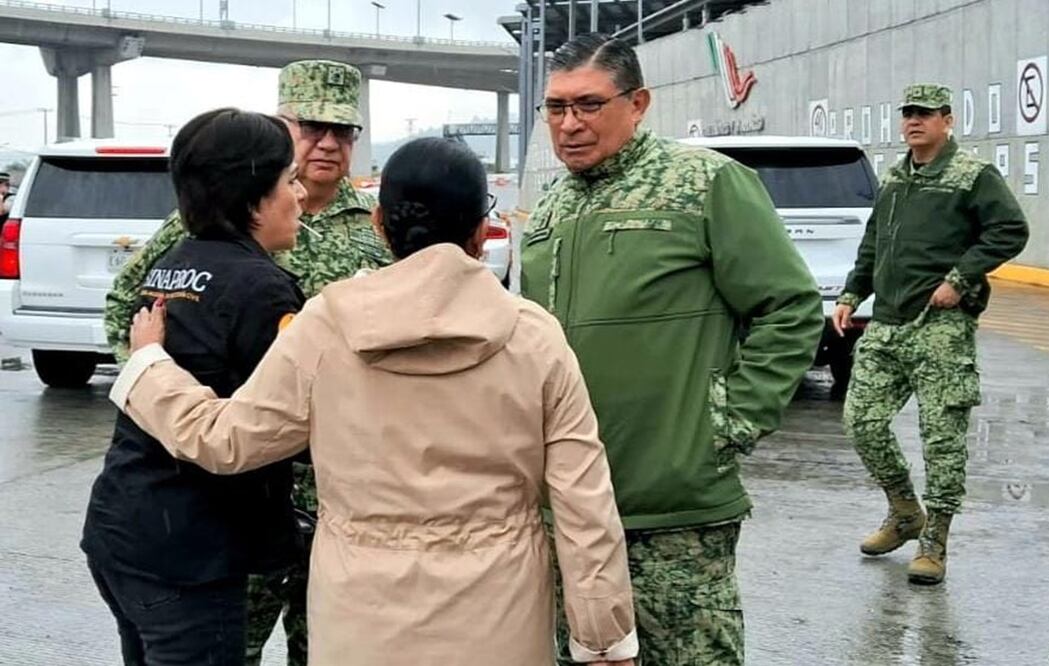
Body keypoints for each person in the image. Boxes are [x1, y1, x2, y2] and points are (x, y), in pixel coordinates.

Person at [110, 137, 637, 666]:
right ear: (480, 232)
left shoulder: (326, 327)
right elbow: (584, 500)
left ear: (380, 224)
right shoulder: (534, 337)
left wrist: (149, 366)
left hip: (358, 617)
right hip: (500, 615)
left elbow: (226, 442)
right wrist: (603, 639)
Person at [519, 33, 822, 665]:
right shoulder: (550, 208)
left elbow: (789, 308)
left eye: (588, 105)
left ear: (638, 103)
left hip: (674, 510)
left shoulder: (706, 183)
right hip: (572, 512)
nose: (569, 125)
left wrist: (727, 423)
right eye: (555, 108)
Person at [102, 59, 391, 666]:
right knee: (228, 643)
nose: (329, 143)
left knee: (330, 647)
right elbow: (130, 310)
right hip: (234, 486)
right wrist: (160, 389)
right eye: (313, 127)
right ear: (281, 125)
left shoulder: (371, 227)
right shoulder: (208, 218)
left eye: (344, 131)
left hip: (334, 497)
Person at [82, 108, 308, 665]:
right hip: (189, 558)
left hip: (124, 531)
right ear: (254, 196)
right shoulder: (264, 291)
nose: (300, 196)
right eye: (289, 180)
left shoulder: (173, 265)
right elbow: (285, 424)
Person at [833, 83, 1029, 585]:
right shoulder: (897, 177)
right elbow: (874, 241)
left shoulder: (971, 176)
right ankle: (903, 512)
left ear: (947, 120)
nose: (913, 122)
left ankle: (934, 542)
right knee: (862, 423)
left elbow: (1009, 229)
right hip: (888, 324)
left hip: (940, 328)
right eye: (908, 115)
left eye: (924, 114)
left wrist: (959, 280)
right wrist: (852, 294)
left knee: (942, 442)